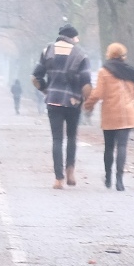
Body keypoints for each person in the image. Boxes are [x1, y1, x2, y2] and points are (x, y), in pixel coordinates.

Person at [84, 43, 134, 191]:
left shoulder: (104, 71)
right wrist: (132, 97)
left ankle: (108, 178)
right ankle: (119, 181)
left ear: (109, 54)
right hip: (128, 114)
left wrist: (88, 105)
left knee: (109, 147)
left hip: (110, 113)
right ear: (123, 56)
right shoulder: (130, 72)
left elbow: (98, 93)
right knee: (122, 146)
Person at [33, 25, 91, 189]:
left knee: (57, 139)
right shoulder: (80, 54)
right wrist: (86, 100)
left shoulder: (47, 51)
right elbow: (86, 83)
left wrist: (46, 90)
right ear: (72, 38)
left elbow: (35, 77)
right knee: (72, 137)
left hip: (53, 100)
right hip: (73, 101)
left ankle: (58, 178)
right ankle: (70, 171)